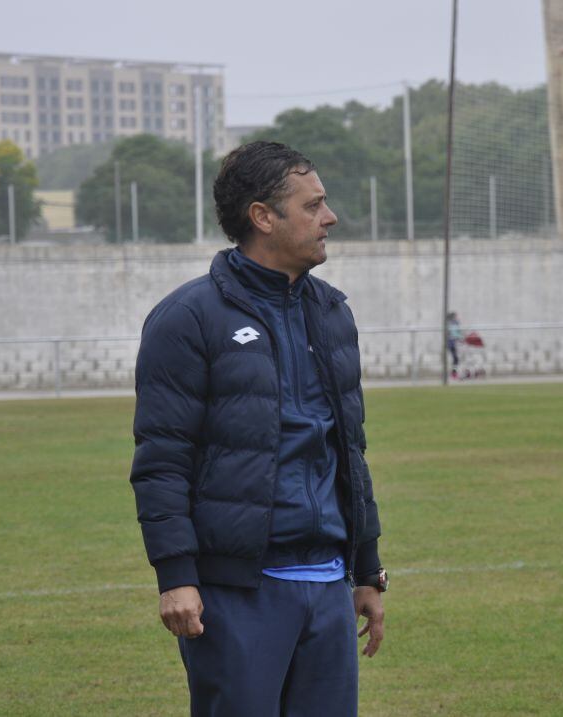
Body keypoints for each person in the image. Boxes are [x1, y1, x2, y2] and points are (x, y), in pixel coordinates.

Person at [130, 141, 386, 717]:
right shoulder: (188, 318)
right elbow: (162, 459)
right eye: (313, 205)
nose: (330, 217)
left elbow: (349, 448)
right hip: (237, 593)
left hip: (327, 587)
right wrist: (176, 576)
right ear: (263, 217)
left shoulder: (332, 312)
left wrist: (367, 569)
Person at [446, 311, 462, 378]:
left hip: (453, 343)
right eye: (456, 316)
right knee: (455, 358)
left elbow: (457, 333)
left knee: (455, 359)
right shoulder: (453, 323)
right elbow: (455, 333)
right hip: (451, 343)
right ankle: (453, 373)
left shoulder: (454, 323)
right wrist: (460, 337)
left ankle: (454, 373)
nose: (457, 317)